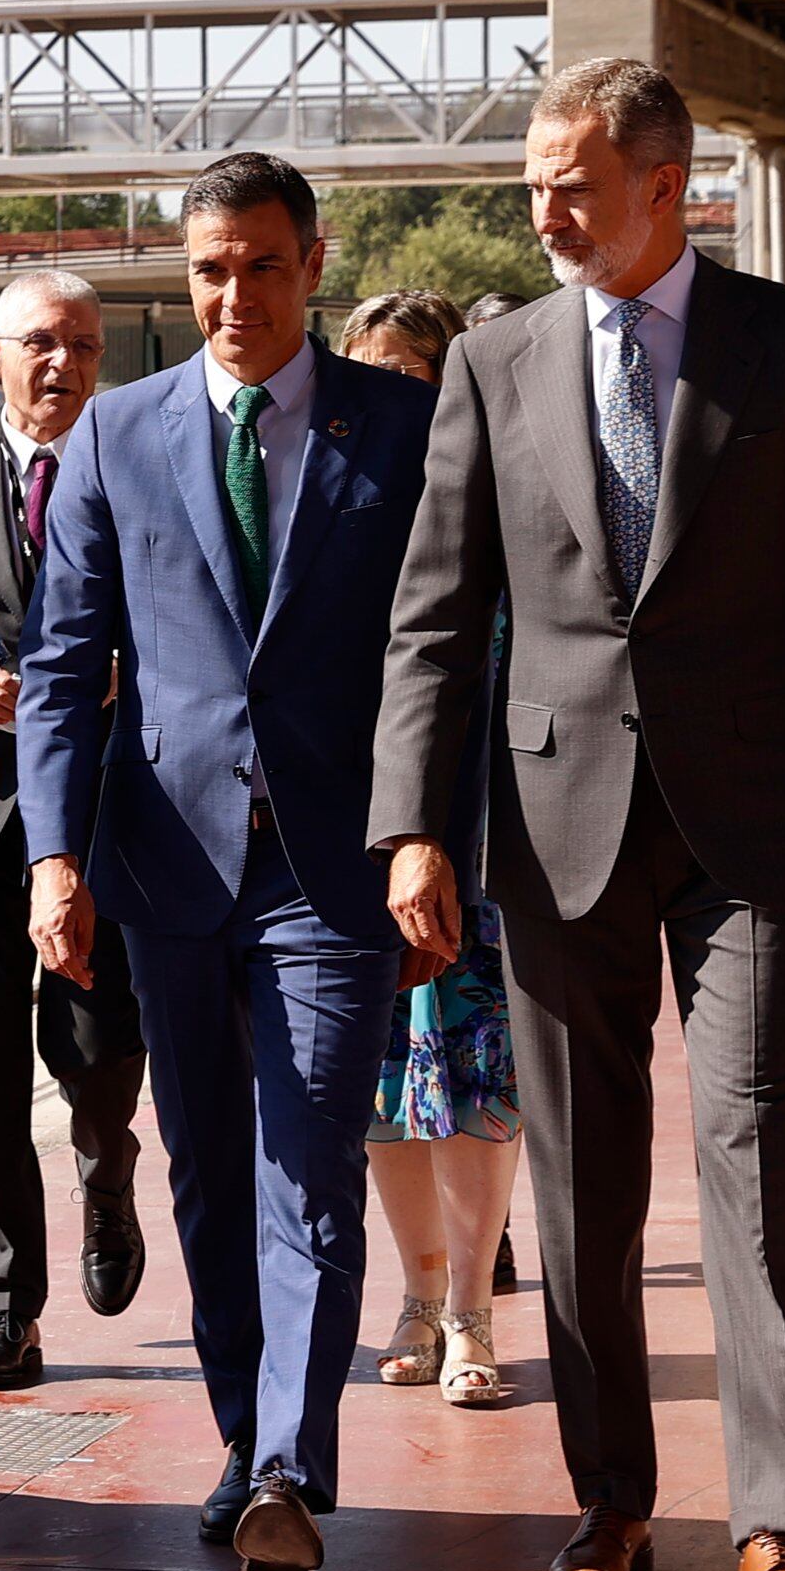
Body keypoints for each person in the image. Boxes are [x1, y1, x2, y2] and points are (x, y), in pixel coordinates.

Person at [373, 57, 785, 1571]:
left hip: (755, 824)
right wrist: (414, 820)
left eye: (573, 182)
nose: (545, 208)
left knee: (753, 1155)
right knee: (587, 1176)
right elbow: (436, 613)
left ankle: (770, 1523)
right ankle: (610, 1498)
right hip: (549, 830)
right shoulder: (492, 357)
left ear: (667, 185)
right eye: (535, 180)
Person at [19, 153, 439, 1571]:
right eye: (209, 268)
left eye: (262, 264)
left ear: (313, 264)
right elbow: (68, 664)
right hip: (169, 864)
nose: (234, 294)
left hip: (337, 870)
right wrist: (56, 855)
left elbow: (441, 654)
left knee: (308, 1163)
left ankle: (289, 1468)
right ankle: (239, 1428)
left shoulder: (406, 427)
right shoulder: (115, 435)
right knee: (203, 1171)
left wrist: (436, 835)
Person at [0, 269, 154, 1389]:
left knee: (99, 1048)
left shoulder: (140, 457)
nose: (64, 364)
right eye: (43, 344)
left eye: (85, 346)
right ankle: (9, 1301)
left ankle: (107, 1173)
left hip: (106, 808)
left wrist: (115, 677)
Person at [338, 290, 521, 1412]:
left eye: (412, 372)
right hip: (355, 841)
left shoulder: (493, 498)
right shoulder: (336, 507)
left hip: (485, 838)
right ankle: (414, 1292)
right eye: (371, 373)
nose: (390, 394)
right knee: (383, 1089)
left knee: (474, 1085)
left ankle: (474, 1313)